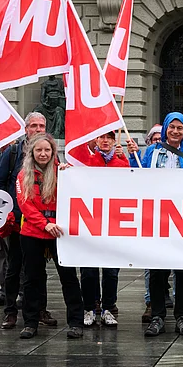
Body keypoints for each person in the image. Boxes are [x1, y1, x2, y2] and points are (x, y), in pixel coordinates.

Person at [0, 112, 57, 330]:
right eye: (33, 125)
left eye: (41, 125)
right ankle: (10, 311)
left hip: (42, 223)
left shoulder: (51, 154)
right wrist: (6, 211)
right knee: (14, 268)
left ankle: (39, 310)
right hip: (17, 221)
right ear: (26, 129)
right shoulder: (13, 151)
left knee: (38, 270)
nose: (37, 129)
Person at [139, 112, 183, 337]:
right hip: (157, 219)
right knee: (158, 271)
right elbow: (137, 177)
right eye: (172, 127)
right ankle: (157, 316)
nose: (176, 131)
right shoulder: (152, 152)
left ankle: (182, 316)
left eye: (180, 128)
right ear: (165, 129)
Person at [15, 133, 85, 340]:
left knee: (69, 278)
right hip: (33, 232)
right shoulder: (23, 176)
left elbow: (76, 195)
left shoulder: (62, 173)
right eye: (39, 150)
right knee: (32, 279)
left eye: (47, 150)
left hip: (60, 232)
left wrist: (71, 175)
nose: (43, 154)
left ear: (53, 152)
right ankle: (30, 322)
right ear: (32, 152)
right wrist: (45, 225)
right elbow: (25, 205)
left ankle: (76, 322)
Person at [69, 131, 134, 328]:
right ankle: (89, 308)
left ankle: (108, 308)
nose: (105, 141)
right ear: (96, 140)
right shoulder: (87, 161)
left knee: (111, 271)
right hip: (91, 223)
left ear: (115, 141)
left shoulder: (122, 163)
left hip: (114, 224)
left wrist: (129, 158)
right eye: (102, 137)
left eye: (110, 138)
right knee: (88, 270)